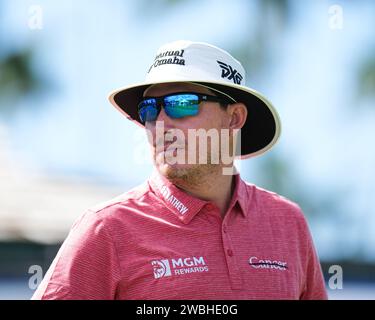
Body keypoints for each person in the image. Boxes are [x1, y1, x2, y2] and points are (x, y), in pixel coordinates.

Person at [32, 40, 327, 300]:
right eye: (148, 109)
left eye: (181, 104)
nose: (159, 122)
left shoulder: (288, 222)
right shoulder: (106, 229)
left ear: (234, 118)